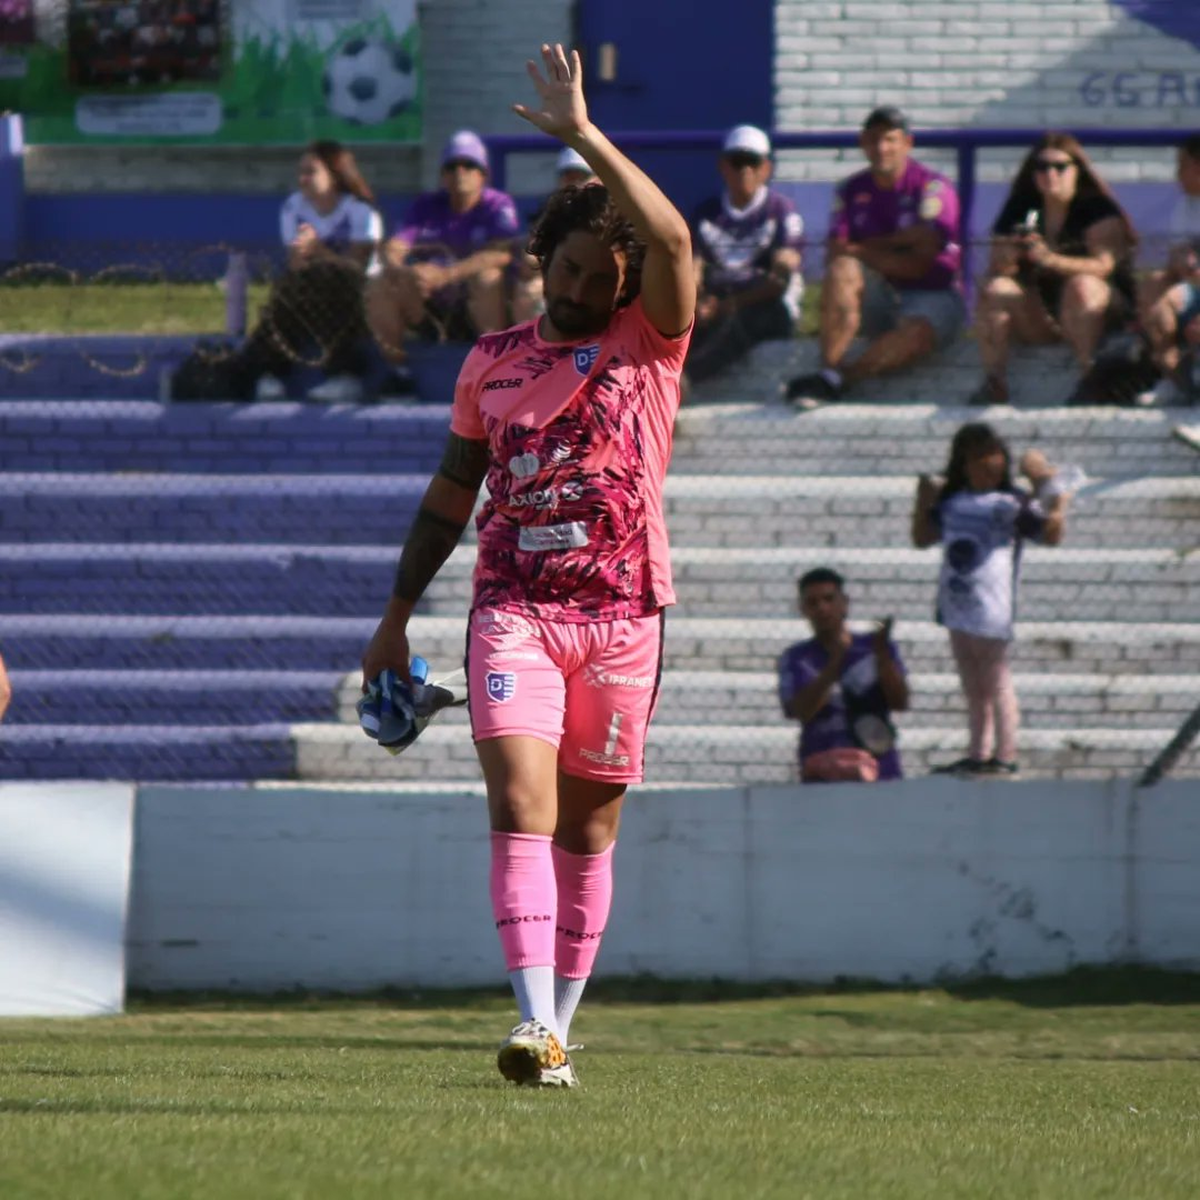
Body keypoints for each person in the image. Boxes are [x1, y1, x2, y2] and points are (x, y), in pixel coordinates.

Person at [360, 43, 694, 1088]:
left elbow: (676, 234)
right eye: (578, 269)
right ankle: (531, 1023)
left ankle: (561, 1032)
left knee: (591, 826)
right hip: (515, 609)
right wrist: (395, 615)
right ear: (545, 262)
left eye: (610, 275)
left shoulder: (652, 342)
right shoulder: (490, 361)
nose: (594, 287)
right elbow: (452, 493)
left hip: (628, 613)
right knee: (520, 799)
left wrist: (585, 137)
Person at [911, 423, 1070, 778]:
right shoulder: (952, 501)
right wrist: (922, 502)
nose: (988, 463)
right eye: (978, 457)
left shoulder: (1011, 502)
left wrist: (1056, 502)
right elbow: (922, 537)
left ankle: (1006, 753)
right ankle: (978, 751)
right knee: (973, 685)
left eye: (994, 455)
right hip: (955, 602)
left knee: (996, 679)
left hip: (991, 606)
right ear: (963, 463)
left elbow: (1048, 534)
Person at [785, 106, 964, 406]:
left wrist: (863, 249)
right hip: (877, 293)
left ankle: (841, 379)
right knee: (843, 269)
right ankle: (828, 368)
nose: (882, 148)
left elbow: (923, 259)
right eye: (874, 140)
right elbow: (837, 252)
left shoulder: (932, 187)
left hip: (931, 293)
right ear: (863, 143)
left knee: (918, 332)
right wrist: (899, 244)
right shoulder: (851, 190)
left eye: (891, 139)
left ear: (908, 143)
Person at [970, 133, 1139, 407]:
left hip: (1101, 311)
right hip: (1043, 315)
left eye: (1060, 167)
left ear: (1076, 171)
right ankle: (994, 382)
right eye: (1042, 167)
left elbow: (1104, 265)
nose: (1050, 174)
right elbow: (996, 264)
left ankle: (1091, 379)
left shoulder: (1096, 209)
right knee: (996, 289)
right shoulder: (1021, 208)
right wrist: (1009, 254)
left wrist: (1049, 259)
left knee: (1081, 286)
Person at [366, 130, 521, 386]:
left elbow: (501, 252)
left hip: (476, 309)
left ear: (484, 174)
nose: (460, 171)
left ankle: (496, 371)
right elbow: (393, 248)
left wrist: (446, 275)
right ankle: (398, 372)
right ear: (442, 175)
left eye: (469, 165)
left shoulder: (497, 204)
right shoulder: (427, 204)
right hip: (429, 305)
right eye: (452, 166)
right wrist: (408, 274)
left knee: (487, 278)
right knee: (380, 283)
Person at [244, 141, 382, 404]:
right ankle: (272, 372)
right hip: (313, 289)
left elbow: (357, 270)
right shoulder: (294, 208)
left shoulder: (360, 211)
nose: (302, 179)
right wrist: (300, 256)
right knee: (288, 290)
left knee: (336, 286)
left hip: (360, 294)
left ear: (334, 174)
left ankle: (346, 375)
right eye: (300, 172)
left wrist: (319, 250)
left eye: (311, 172)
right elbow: (296, 266)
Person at [685, 124, 804, 388]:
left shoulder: (782, 211)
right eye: (737, 162)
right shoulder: (705, 212)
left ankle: (687, 379)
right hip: (716, 302)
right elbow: (691, 269)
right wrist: (698, 302)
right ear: (723, 166)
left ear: (766, 168)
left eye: (752, 161)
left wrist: (728, 305)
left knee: (742, 322)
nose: (745, 170)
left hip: (765, 306)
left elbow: (779, 281)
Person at [778, 568, 908, 783]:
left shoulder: (873, 648)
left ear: (844, 603)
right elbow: (801, 711)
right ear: (803, 609)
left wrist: (883, 657)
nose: (822, 608)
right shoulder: (796, 657)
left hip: (877, 768)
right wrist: (835, 662)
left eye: (829, 599)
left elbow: (900, 702)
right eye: (813, 602)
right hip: (823, 769)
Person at [1138, 134, 1200, 407]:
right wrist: (1182, 263)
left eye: (1182, 165)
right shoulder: (1186, 206)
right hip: (1194, 286)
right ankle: (1175, 380)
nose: (1177, 174)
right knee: (1156, 295)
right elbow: (1177, 254)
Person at [510, 146, 598, 323]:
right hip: (557, 276)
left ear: (595, 179)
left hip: (596, 280)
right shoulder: (549, 211)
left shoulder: (608, 210)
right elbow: (531, 256)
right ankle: (528, 348)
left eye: (581, 177)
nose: (575, 183)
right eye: (568, 176)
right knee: (528, 290)